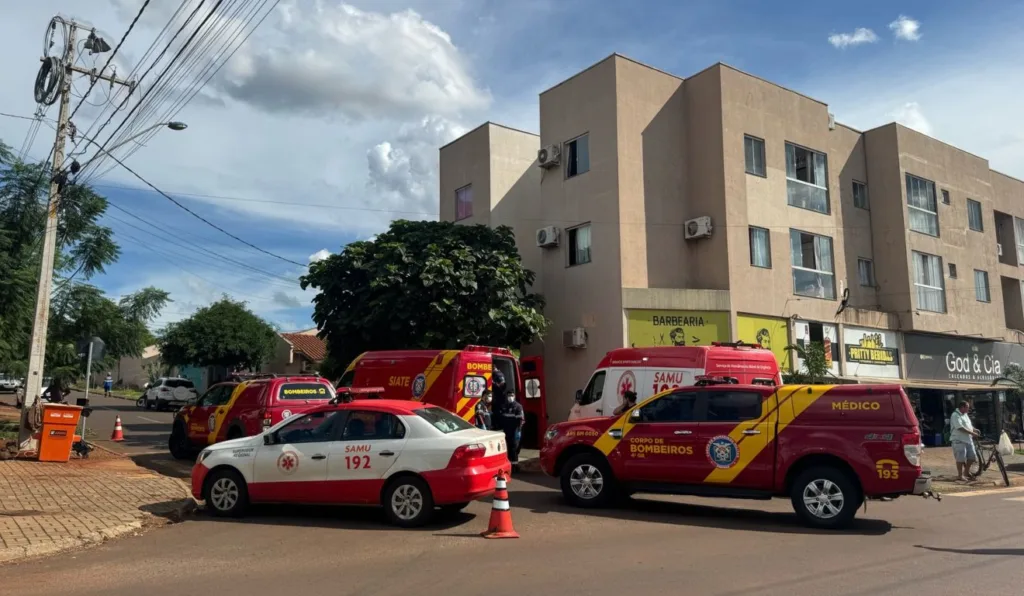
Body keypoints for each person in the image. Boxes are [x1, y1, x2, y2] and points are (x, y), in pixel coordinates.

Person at [491, 371, 525, 471]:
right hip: (506, 430)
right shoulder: (504, 406)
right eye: (509, 395)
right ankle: (510, 464)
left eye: (511, 395)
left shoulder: (518, 407)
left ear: (514, 396)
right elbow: (501, 417)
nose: (510, 397)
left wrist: (518, 430)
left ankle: (515, 465)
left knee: (514, 447)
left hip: (515, 430)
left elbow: (521, 419)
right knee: (508, 447)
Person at [949, 401, 981, 481]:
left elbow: (968, 425)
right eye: (967, 407)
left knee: (972, 457)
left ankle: (966, 472)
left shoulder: (965, 414)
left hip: (968, 439)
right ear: (962, 407)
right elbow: (960, 427)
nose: (968, 409)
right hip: (959, 439)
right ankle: (960, 475)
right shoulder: (955, 415)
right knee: (960, 459)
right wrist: (972, 433)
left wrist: (974, 429)